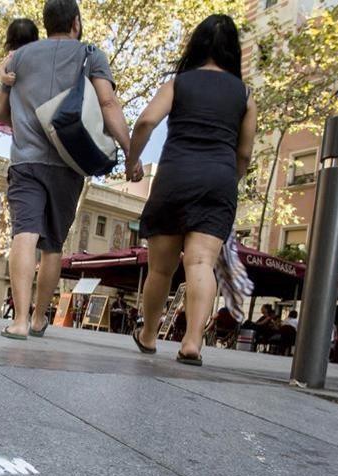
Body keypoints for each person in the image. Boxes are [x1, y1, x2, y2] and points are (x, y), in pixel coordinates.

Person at [0, 0, 132, 340]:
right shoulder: (90, 54)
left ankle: (19, 320)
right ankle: (39, 319)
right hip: (69, 164)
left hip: (26, 160)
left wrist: (22, 110)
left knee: (24, 234)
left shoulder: (18, 58)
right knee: (53, 244)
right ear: (76, 23)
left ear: (46, 22)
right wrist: (129, 150)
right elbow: (108, 103)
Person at [127, 14, 256, 366]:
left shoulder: (178, 84)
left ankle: (150, 335)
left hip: (174, 177)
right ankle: (192, 342)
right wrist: (230, 177)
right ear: (233, 52)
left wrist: (131, 160)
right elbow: (244, 153)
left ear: (196, 45)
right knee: (201, 262)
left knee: (160, 270)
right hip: (218, 181)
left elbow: (146, 121)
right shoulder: (244, 95)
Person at [0, 19, 39, 134]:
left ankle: (18, 126)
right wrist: (4, 78)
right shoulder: (13, 57)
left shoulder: (34, 56)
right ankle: (17, 126)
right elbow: (1, 69)